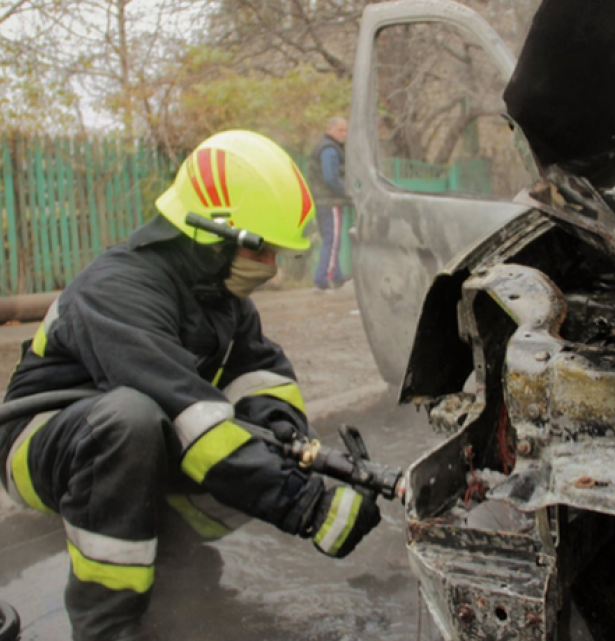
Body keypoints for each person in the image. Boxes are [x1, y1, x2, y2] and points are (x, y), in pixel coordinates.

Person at [0, 130, 381, 641]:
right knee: (134, 420)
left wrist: (293, 443)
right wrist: (305, 506)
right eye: (263, 249)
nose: (270, 267)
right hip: (38, 444)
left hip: (135, 437)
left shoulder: (220, 297)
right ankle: (107, 624)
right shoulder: (117, 288)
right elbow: (188, 414)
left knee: (252, 450)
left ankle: (174, 558)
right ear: (210, 232)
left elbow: (264, 376)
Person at [307, 116, 350, 292]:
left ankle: (337, 276)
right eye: (340, 130)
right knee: (332, 241)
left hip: (322, 200)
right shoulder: (330, 149)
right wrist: (346, 192)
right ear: (330, 129)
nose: (344, 134)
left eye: (345, 130)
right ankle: (324, 279)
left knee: (330, 240)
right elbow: (330, 176)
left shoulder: (324, 147)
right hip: (330, 201)